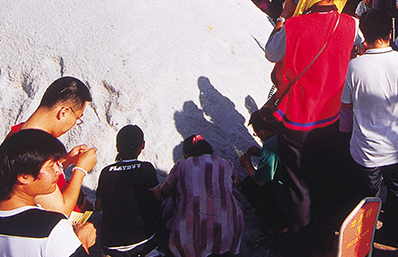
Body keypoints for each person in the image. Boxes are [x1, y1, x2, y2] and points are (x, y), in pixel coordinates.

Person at [263, 0, 362, 249]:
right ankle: (326, 234)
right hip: (332, 118)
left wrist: (284, 15)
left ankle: (303, 242)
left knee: (299, 185)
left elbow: (271, 52)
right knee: (325, 177)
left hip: (296, 119)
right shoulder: (351, 24)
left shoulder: (292, 27)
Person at [341, 9, 398, 249]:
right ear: (390, 34)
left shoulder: (355, 67)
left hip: (366, 150)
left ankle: (364, 239)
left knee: (367, 197)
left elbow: (346, 105)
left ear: (364, 35)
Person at [0, 129, 96, 257]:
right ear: (24, 176)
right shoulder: (52, 227)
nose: (58, 171)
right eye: (51, 165)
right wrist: (82, 240)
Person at [13, 77, 97, 217]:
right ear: (63, 112)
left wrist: (66, 161)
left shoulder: (19, 134)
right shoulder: (34, 147)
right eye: (77, 118)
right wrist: (81, 169)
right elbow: (59, 211)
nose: (74, 124)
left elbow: (38, 176)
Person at [160, 135, 244, 257]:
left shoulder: (181, 165)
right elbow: (237, 183)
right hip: (229, 234)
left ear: (186, 154)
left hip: (189, 239)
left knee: (171, 196)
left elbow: (165, 190)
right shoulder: (226, 163)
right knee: (233, 190)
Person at [95, 125, 162, 257]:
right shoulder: (146, 168)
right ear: (142, 145)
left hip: (111, 244)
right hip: (144, 240)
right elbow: (157, 198)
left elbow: (98, 206)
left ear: (117, 147)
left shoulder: (106, 172)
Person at [239, 109, 288, 234]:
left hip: (286, 190)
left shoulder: (270, 145)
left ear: (262, 131)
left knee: (248, 185)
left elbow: (261, 181)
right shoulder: (286, 130)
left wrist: (247, 166)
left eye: (256, 134)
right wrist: (262, 153)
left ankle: (279, 225)